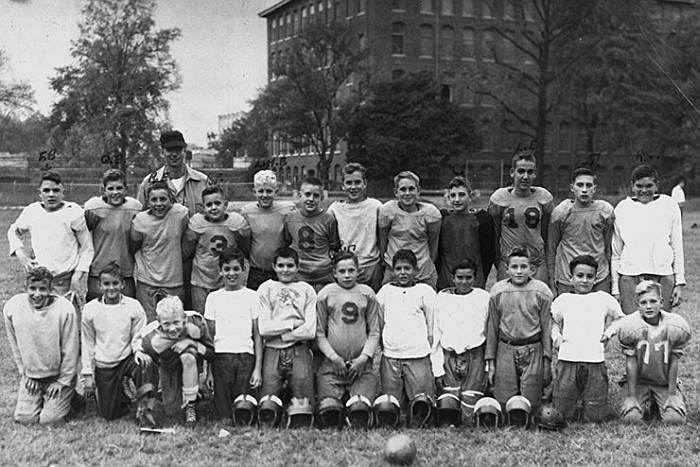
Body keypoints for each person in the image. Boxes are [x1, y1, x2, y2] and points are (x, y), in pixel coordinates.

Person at [551, 255, 624, 422]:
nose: (584, 280)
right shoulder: (564, 300)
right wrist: (557, 338)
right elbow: (552, 322)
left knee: (596, 417)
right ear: (570, 277)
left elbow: (621, 318)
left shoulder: (603, 298)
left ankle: (594, 405)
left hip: (594, 359)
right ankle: (562, 399)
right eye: (579, 276)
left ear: (596, 278)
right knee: (562, 413)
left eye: (589, 276)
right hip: (568, 358)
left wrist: (608, 334)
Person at [3, 267, 79, 425]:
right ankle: (44, 399)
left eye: (42, 289)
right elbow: (15, 344)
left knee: (49, 420)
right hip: (33, 376)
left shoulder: (65, 310)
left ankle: (73, 399)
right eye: (32, 288)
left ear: (51, 290)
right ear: (25, 288)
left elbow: (71, 350)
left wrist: (63, 381)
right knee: (25, 418)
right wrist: (25, 373)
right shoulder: (13, 308)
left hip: (57, 376)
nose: (37, 294)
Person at [81, 262, 155, 421]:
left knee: (145, 364)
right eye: (106, 284)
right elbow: (87, 342)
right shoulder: (90, 309)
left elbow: (139, 333)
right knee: (110, 415)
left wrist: (139, 351)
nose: (111, 288)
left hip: (127, 359)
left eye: (115, 283)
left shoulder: (133, 306)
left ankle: (145, 408)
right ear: (99, 285)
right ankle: (123, 394)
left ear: (122, 284)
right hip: (105, 364)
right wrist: (87, 373)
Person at [8, 171, 93, 304]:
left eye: (56, 190)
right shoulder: (32, 211)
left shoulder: (73, 211)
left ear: (63, 192)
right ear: (40, 193)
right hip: (40, 282)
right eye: (46, 190)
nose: (51, 194)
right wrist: (22, 255)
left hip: (65, 281)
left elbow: (87, 248)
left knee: (68, 321)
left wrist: (76, 278)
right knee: (40, 321)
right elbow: (14, 231)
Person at [485, 246, 553, 410]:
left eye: (524, 267)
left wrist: (546, 360)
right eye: (514, 267)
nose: (519, 271)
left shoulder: (541, 291)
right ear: (506, 269)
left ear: (532, 269)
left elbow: (546, 327)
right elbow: (492, 327)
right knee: (504, 399)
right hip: (506, 347)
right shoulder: (498, 291)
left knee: (531, 401)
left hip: (532, 348)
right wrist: (491, 361)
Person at [611, 164, 685, 314]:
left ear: (657, 185)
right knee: (632, 328)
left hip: (663, 275)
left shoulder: (669, 205)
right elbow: (616, 253)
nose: (644, 190)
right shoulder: (622, 208)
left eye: (649, 185)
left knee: (660, 327)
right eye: (639, 186)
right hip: (630, 276)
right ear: (632, 186)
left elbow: (677, 246)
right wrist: (616, 289)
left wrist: (679, 283)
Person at [315, 251, 381, 417]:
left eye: (351, 270)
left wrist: (364, 358)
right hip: (332, 366)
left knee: (362, 411)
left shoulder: (367, 293)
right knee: (328, 411)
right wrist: (333, 357)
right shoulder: (325, 293)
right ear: (334, 273)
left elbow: (374, 332)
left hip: (360, 366)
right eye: (342, 271)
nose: (347, 275)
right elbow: (319, 332)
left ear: (358, 271)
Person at [376, 249, 438, 422]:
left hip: (417, 354)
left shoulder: (425, 291)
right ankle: (397, 418)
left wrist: (429, 345)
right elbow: (379, 321)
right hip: (391, 355)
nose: (403, 273)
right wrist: (384, 344)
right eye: (398, 269)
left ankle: (420, 418)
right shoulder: (385, 292)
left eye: (407, 268)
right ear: (393, 270)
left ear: (416, 270)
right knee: (392, 401)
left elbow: (432, 323)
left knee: (422, 400)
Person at [618, 280, 691, 424]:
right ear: (638, 305)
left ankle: (660, 403)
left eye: (653, 301)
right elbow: (631, 363)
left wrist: (672, 394)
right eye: (643, 302)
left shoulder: (675, 325)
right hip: (639, 381)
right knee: (630, 418)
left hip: (663, 381)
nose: (649, 306)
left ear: (662, 302)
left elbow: (673, 361)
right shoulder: (630, 326)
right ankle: (641, 399)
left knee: (674, 419)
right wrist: (631, 396)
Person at [134, 295, 214, 426]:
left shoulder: (196, 323)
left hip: (191, 360)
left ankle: (190, 405)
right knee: (172, 411)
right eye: (166, 324)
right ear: (158, 322)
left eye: (176, 322)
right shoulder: (150, 337)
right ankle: (150, 403)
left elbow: (211, 354)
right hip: (168, 365)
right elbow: (139, 349)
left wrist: (190, 342)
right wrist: (139, 351)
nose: (172, 328)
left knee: (187, 356)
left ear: (184, 319)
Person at [204, 248, 262, 423]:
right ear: (220, 271)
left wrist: (257, 368)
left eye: (236, 269)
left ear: (244, 270)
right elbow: (209, 336)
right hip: (221, 357)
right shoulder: (213, 298)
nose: (231, 273)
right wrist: (209, 372)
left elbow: (258, 335)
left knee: (243, 411)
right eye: (227, 269)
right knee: (224, 416)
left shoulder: (252, 296)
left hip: (246, 356)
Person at [257, 247, 317, 406]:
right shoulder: (266, 288)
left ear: (298, 267)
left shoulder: (306, 290)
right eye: (281, 265)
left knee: (304, 402)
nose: (285, 270)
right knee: (267, 401)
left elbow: (310, 331)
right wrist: (293, 324)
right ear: (274, 266)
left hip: (299, 349)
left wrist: (284, 335)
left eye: (290, 265)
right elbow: (264, 328)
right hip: (272, 348)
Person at [546, 167, 614, 295]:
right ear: (572, 187)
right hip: (568, 278)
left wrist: (612, 278)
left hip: (598, 277)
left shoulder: (604, 211)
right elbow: (551, 249)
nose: (584, 190)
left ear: (594, 188)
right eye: (580, 185)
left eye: (588, 185)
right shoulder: (561, 212)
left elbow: (609, 247)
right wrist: (551, 279)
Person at [183, 185, 250, 314]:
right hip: (201, 279)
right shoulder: (197, 223)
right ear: (203, 207)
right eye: (209, 204)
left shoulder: (236, 222)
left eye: (217, 203)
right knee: (202, 315)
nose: (213, 207)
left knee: (227, 315)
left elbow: (245, 249)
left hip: (226, 279)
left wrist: (242, 235)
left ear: (225, 204)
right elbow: (186, 252)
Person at [489, 151, 553, 282]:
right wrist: (498, 261)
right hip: (509, 260)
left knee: (539, 298)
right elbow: (495, 235)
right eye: (521, 171)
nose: (525, 176)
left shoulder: (543, 198)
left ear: (535, 173)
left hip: (536, 261)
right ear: (512, 172)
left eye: (530, 172)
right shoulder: (499, 199)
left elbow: (546, 234)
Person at [130, 181, 189, 322]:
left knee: (174, 323)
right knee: (149, 323)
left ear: (171, 199)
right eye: (154, 199)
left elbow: (187, 241)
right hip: (148, 282)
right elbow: (134, 246)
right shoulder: (140, 220)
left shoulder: (180, 214)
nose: (158, 204)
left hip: (173, 280)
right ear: (148, 202)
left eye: (163, 199)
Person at [433, 259, 489, 406]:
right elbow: (436, 334)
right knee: (449, 404)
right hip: (449, 357)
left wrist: (489, 365)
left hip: (475, 356)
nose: (464, 282)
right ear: (452, 278)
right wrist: (438, 368)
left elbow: (489, 333)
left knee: (471, 403)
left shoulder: (483, 298)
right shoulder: (442, 298)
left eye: (469, 277)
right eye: (460, 277)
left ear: (475, 278)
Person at [84, 169, 142, 300]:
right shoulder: (93, 208)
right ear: (103, 189)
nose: (115, 192)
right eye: (110, 188)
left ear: (126, 189)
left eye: (119, 188)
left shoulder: (134, 208)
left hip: (125, 271)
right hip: (98, 271)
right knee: (96, 311)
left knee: (126, 311)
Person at [379, 171, 441, 288]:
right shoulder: (387, 211)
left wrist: (428, 262)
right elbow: (383, 239)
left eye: (411, 189)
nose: (407, 193)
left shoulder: (430, 213)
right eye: (403, 189)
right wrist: (387, 262)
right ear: (396, 192)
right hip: (394, 269)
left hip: (422, 269)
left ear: (418, 190)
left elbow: (434, 243)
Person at [327, 163, 383, 291]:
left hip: (371, 267)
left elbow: (382, 238)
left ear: (365, 183)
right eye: (349, 183)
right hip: (346, 269)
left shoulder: (376, 206)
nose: (353, 187)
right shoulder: (335, 209)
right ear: (343, 185)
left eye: (357, 182)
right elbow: (331, 241)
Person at [241, 170, 296, 290]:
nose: (264, 195)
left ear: (276, 192)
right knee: (255, 305)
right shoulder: (247, 212)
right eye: (260, 191)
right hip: (257, 271)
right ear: (254, 192)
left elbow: (289, 238)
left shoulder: (287, 209)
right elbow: (246, 243)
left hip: (280, 270)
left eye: (269, 191)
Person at [283, 176, 341, 291]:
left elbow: (334, 245)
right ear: (300, 196)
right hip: (299, 276)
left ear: (322, 198)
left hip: (323, 276)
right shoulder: (290, 218)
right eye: (307, 194)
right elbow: (287, 241)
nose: (311, 199)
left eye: (316, 196)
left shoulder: (328, 219)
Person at [136, 130, 210, 217]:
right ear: (162, 152)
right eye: (169, 149)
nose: (174, 154)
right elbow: (139, 218)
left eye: (178, 149)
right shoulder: (149, 182)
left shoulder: (202, 181)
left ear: (184, 151)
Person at [437, 176, 487, 290]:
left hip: (474, 280)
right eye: (453, 195)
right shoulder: (442, 218)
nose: (457, 199)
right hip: (447, 280)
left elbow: (486, 253)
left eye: (462, 195)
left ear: (470, 196)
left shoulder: (480, 219)